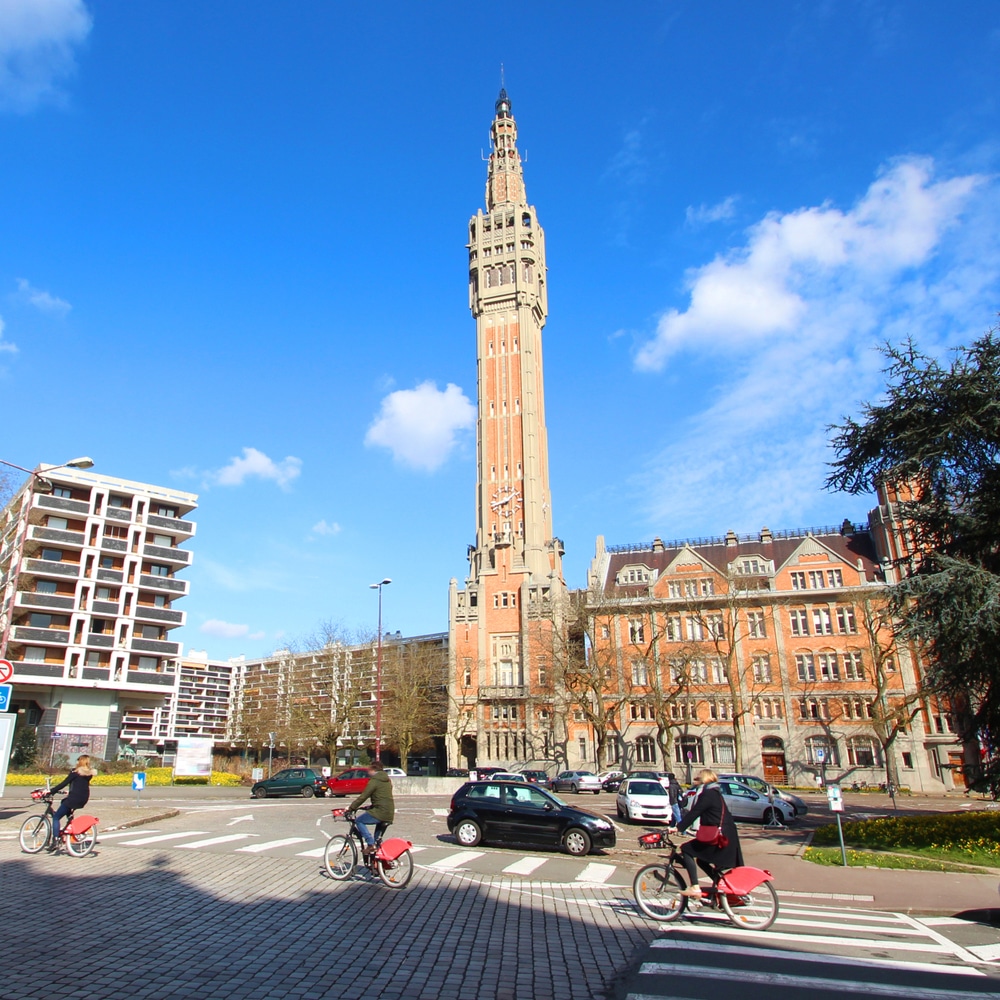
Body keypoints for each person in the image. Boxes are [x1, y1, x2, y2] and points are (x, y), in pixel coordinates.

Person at [670, 768, 743, 898]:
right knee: (702, 861)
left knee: (686, 849)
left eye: (698, 777)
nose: (696, 779)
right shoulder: (715, 793)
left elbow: (695, 812)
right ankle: (719, 885)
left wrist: (678, 828)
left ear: (704, 779)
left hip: (720, 838)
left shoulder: (708, 794)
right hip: (725, 835)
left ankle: (695, 888)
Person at [49, 754, 96, 851]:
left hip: (74, 798)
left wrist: (51, 791)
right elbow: (79, 785)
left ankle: (55, 840)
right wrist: (70, 791)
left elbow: (64, 783)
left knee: (56, 817)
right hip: (83, 798)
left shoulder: (75, 773)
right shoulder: (89, 774)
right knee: (64, 802)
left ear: (80, 762)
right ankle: (70, 820)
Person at [347, 761, 395, 855]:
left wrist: (351, 808)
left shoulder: (374, 781)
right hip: (389, 813)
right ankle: (377, 865)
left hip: (380, 812)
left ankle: (370, 843)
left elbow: (363, 796)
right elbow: (382, 797)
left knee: (359, 821)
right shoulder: (387, 780)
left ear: (373, 770)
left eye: (369, 769)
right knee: (377, 842)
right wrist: (371, 806)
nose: (368, 772)